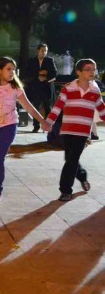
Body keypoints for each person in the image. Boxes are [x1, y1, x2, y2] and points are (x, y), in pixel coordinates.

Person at [0, 57, 50, 204]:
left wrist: (42, 121)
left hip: (8, 127)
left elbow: (28, 107)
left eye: (13, 70)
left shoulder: (16, 88)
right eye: (8, 69)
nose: (12, 72)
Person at [44, 59, 105, 202]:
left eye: (93, 69)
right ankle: (82, 177)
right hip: (67, 130)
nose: (92, 72)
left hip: (82, 132)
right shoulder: (68, 88)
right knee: (71, 159)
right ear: (78, 72)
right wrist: (49, 122)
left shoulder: (95, 91)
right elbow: (57, 107)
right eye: (88, 69)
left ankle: (65, 190)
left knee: (71, 159)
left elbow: (102, 111)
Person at [23, 43, 57, 133]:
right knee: (36, 107)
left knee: (48, 108)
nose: (44, 52)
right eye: (42, 50)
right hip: (36, 88)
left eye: (46, 51)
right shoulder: (31, 61)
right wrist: (39, 74)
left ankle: (48, 126)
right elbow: (28, 72)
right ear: (38, 50)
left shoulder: (50, 60)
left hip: (47, 88)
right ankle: (36, 126)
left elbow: (54, 73)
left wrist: (46, 77)